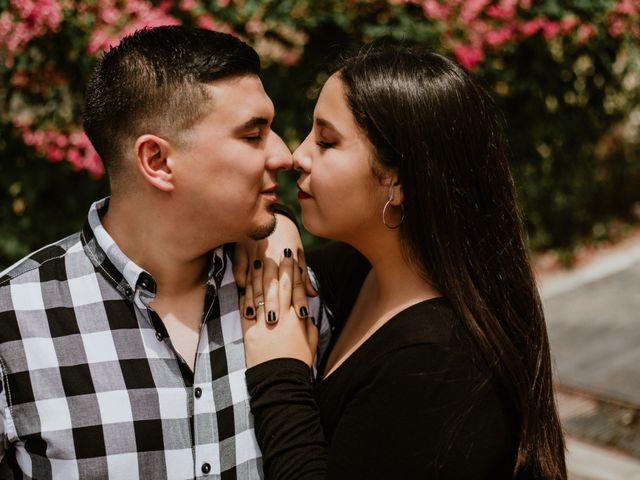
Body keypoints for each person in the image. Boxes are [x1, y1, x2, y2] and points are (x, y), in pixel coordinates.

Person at [0, 26, 317, 479]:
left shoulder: (290, 286)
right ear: (157, 161)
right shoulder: (13, 322)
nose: (285, 156)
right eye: (253, 135)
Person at [240, 45, 568, 479]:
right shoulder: (362, 272)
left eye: (326, 141)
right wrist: (279, 229)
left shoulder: (438, 366)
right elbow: (280, 237)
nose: (297, 156)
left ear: (398, 180)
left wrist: (279, 373)